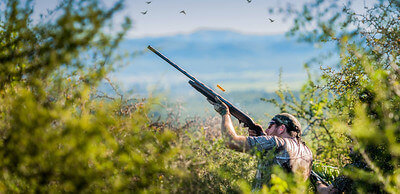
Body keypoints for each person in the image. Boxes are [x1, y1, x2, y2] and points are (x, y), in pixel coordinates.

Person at [208, 96, 313, 189]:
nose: (267, 131)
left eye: (270, 125)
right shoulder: (307, 152)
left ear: (281, 128)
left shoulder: (275, 142)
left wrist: (225, 113)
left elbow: (231, 142)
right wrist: (262, 137)